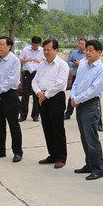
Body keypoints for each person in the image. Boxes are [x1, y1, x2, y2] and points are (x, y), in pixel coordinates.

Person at [71, 39, 103, 181]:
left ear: (99, 52)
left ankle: (98, 169)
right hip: (79, 103)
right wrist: (73, 97)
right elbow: (76, 83)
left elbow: (94, 90)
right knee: (84, 137)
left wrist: (78, 99)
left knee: (92, 138)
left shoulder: (101, 70)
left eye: (91, 50)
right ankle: (89, 164)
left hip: (90, 104)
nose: (87, 52)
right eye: (86, 49)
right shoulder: (83, 65)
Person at [32, 38, 69, 168]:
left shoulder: (62, 65)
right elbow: (34, 81)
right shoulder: (42, 65)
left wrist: (45, 95)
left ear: (56, 50)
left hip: (55, 98)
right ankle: (52, 155)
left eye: (49, 50)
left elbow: (60, 84)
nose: (46, 52)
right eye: (45, 50)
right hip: (42, 98)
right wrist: (39, 93)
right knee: (47, 127)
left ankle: (61, 157)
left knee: (57, 128)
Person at [0, 36, 23, 162]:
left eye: (2, 44)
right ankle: (0, 150)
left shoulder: (15, 60)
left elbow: (12, 80)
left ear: (9, 46)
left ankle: (17, 152)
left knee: (13, 124)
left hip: (9, 95)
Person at [19, 36, 44, 122]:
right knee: (25, 94)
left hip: (37, 73)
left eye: (36, 45)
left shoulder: (42, 50)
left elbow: (46, 62)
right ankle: (23, 115)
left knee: (36, 94)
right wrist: (26, 60)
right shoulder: (26, 49)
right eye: (33, 45)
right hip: (27, 73)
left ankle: (35, 115)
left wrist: (39, 61)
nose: (35, 47)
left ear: (39, 44)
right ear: (31, 43)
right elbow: (20, 59)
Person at [64, 38, 87, 120]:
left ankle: (83, 114)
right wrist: (73, 64)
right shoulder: (74, 53)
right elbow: (69, 62)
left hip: (84, 78)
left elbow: (89, 64)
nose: (80, 45)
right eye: (79, 43)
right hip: (75, 77)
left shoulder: (87, 54)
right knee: (72, 95)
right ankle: (68, 113)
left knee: (84, 95)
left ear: (85, 45)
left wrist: (79, 63)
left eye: (82, 44)